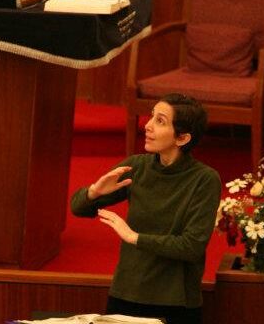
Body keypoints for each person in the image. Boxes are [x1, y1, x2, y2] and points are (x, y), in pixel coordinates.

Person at [71, 93, 221, 324]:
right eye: (151, 117)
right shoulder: (137, 166)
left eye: (160, 121)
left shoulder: (204, 179)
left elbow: (192, 246)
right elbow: (78, 209)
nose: (148, 126)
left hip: (175, 301)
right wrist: (94, 192)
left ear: (182, 138)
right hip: (126, 293)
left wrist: (134, 237)